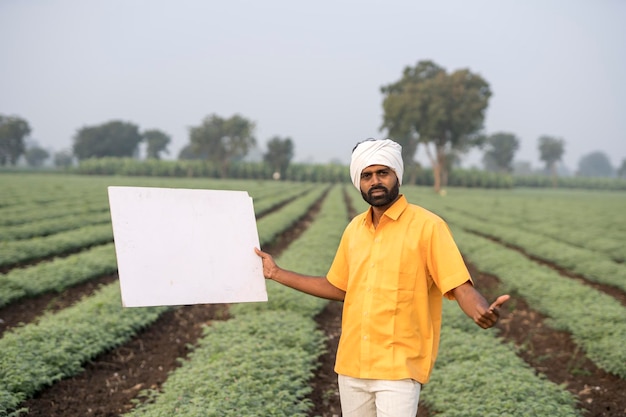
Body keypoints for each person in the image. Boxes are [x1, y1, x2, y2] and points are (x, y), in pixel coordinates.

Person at [255, 138, 510, 417]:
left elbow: (458, 284)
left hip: (398, 369)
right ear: (359, 182)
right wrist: (276, 273)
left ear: (396, 176)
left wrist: (481, 310)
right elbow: (338, 286)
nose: (375, 181)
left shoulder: (428, 227)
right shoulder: (354, 229)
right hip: (352, 366)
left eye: (382, 173)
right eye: (367, 175)